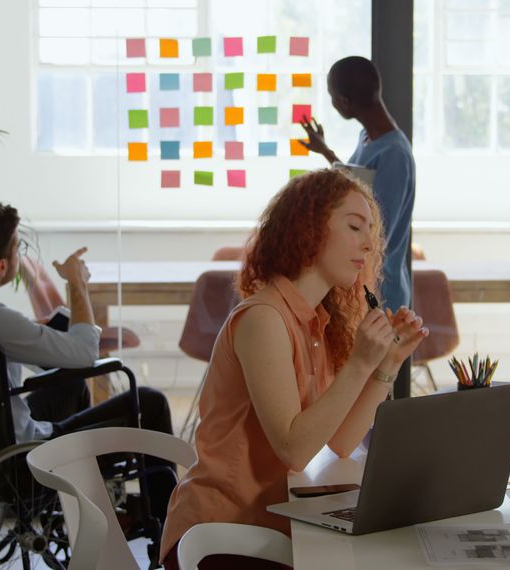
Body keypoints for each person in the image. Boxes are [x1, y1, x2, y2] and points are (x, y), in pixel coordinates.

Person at [159, 169, 428, 569]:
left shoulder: (317, 323)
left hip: (275, 527)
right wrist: (359, 363)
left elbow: (338, 440)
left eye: (371, 231)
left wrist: (386, 365)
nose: (369, 244)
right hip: (221, 536)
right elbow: (294, 449)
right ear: (310, 230)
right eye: (355, 227)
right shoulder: (264, 319)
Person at [0, 203, 177, 549]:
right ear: (2, 266)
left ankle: (82, 510)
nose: (21, 253)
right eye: (18, 246)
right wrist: (77, 285)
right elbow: (83, 354)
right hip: (18, 465)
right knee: (150, 401)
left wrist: (50, 331)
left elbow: (48, 359)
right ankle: (166, 528)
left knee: (70, 383)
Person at [299, 56, 415, 316]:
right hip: (361, 286)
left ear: (343, 102)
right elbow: (356, 184)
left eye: (332, 96)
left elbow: (377, 228)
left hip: (382, 294)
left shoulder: (394, 153)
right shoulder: (368, 139)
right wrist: (326, 151)